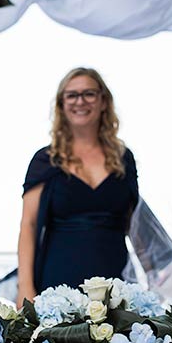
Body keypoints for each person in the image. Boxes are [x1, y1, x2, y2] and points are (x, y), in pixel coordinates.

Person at [16, 67, 139, 306]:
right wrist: (25, 288)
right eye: (71, 95)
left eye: (89, 94)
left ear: (103, 101)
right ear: (61, 104)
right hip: (57, 282)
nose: (80, 101)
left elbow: (136, 222)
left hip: (114, 283)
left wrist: (165, 271)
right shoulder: (45, 160)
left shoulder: (124, 158)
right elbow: (28, 226)